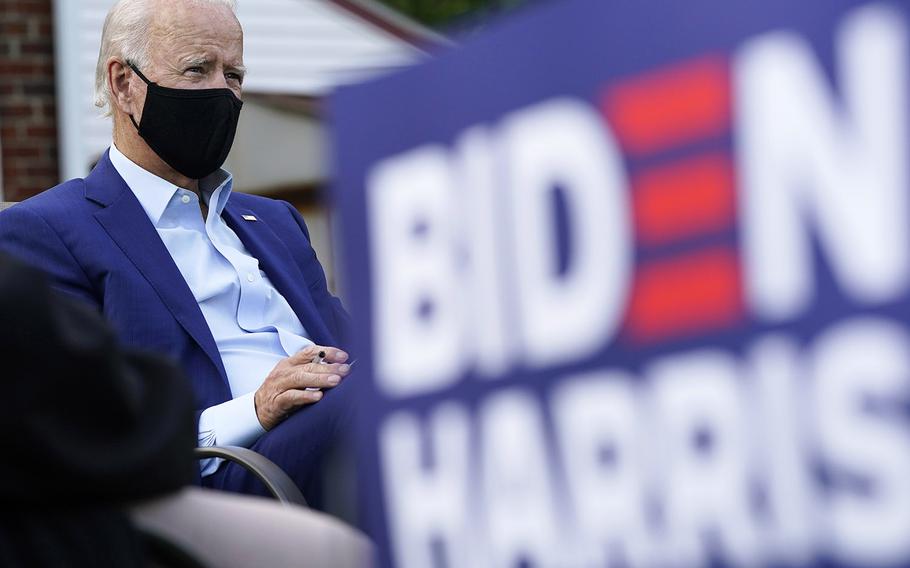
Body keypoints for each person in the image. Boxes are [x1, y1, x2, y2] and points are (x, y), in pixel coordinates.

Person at [0, 0, 355, 507]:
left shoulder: (275, 222)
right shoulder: (44, 232)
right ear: (124, 84)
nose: (221, 92)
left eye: (233, 74)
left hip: (340, 430)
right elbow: (81, 430)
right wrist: (255, 409)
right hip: (223, 476)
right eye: (196, 70)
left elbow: (352, 349)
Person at [0, 252, 373, 568]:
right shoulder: (48, 225)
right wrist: (256, 408)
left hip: (338, 405)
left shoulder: (272, 216)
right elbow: (81, 411)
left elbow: (351, 337)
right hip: (227, 460)